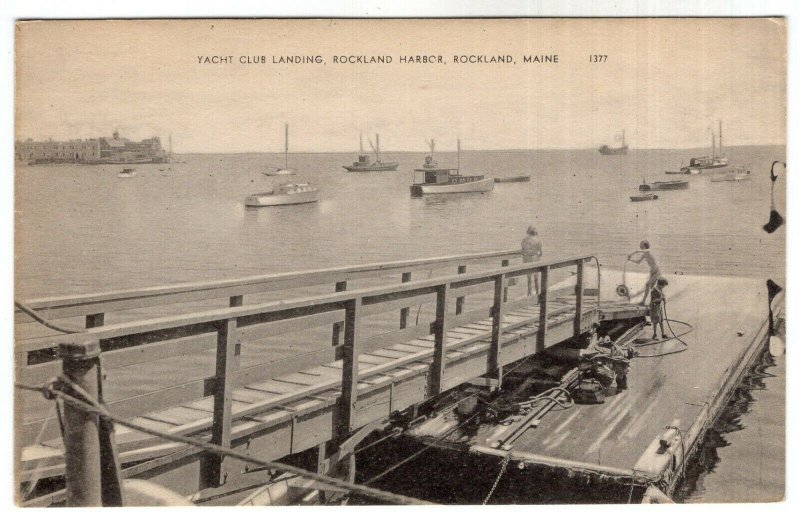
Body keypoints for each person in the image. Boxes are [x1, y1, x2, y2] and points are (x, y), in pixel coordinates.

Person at [627, 240, 661, 305]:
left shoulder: (648, 251)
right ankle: (650, 301)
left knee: (648, 285)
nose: (640, 246)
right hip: (652, 272)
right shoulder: (645, 254)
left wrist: (632, 253)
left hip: (656, 272)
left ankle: (644, 301)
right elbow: (638, 262)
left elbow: (639, 251)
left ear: (645, 246)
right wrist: (630, 260)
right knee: (651, 287)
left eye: (641, 245)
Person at [521, 225, 542, 296]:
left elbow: (523, 250)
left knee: (529, 278)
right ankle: (537, 293)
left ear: (528, 232)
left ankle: (529, 294)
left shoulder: (524, 240)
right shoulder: (538, 240)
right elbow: (541, 252)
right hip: (535, 259)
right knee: (536, 278)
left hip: (527, 259)